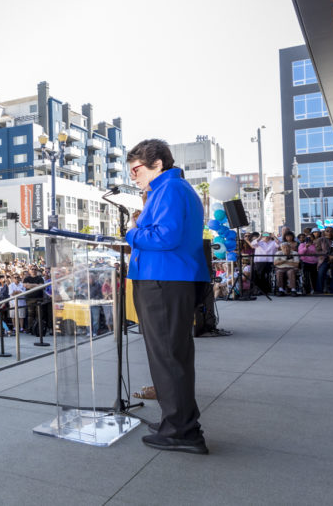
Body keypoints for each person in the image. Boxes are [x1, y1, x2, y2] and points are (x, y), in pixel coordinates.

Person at [125, 139, 209, 454]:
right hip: (168, 279)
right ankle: (178, 422)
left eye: (137, 169)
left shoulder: (170, 190)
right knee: (172, 356)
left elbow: (164, 237)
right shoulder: (170, 190)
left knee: (169, 357)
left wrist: (131, 231)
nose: (133, 176)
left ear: (158, 163)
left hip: (164, 279)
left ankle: (183, 431)